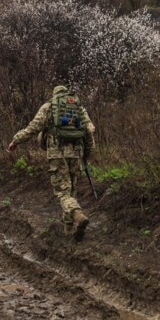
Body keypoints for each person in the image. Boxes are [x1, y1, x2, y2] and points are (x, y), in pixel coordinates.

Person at [6, 85, 96, 240]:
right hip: (76, 153)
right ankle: (69, 229)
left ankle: (77, 214)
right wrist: (87, 154)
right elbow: (89, 130)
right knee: (72, 189)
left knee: (62, 191)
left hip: (58, 154)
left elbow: (33, 128)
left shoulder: (49, 106)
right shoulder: (78, 107)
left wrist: (15, 141)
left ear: (54, 95)